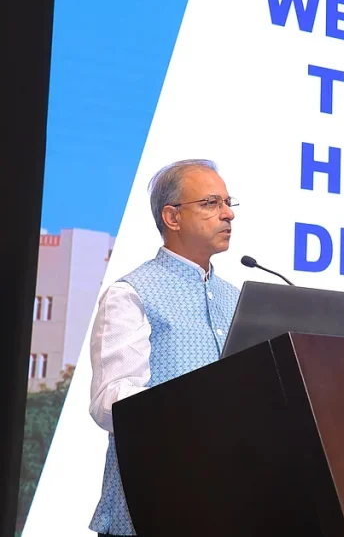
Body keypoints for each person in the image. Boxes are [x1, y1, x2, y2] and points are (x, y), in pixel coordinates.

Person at [88, 159, 240, 537]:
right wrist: (191, 406)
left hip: (229, 501)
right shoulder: (131, 293)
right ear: (172, 217)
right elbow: (110, 402)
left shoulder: (235, 298)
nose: (227, 214)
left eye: (227, 203)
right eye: (211, 203)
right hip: (151, 505)